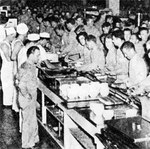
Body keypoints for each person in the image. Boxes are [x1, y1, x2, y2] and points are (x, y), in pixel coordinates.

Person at [16, 46, 40, 149]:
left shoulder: (27, 65)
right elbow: (20, 84)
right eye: (37, 55)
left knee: (32, 119)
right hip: (27, 98)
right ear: (31, 54)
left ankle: (34, 139)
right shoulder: (28, 67)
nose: (38, 58)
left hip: (29, 97)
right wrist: (26, 95)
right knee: (28, 122)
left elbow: (16, 78)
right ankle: (27, 144)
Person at [11, 23, 29, 112]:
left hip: (18, 66)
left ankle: (16, 106)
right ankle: (17, 106)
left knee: (17, 87)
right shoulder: (18, 43)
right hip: (18, 66)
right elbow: (13, 56)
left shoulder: (17, 41)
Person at [0, 27, 16, 106]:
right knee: (7, 85)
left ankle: (9, 102)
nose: (13, 38)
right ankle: (7, 104)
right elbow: (8, 58)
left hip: (10, 67)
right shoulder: (4, 44)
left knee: (10, 85)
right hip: (6, 67)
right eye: (13, 36)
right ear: (9, 35)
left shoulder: (8, 44)